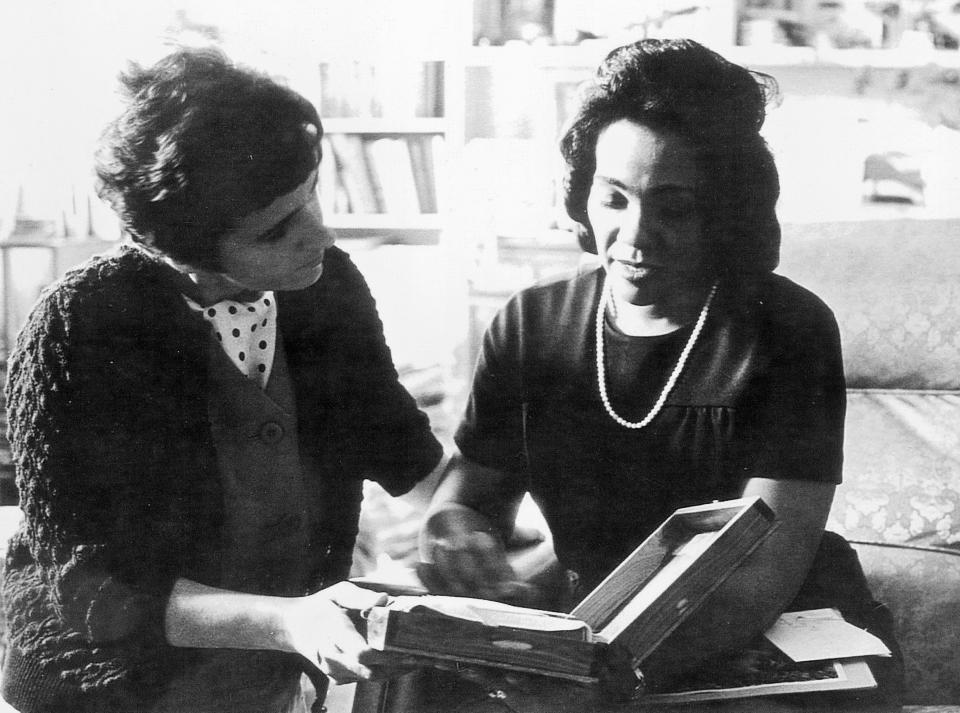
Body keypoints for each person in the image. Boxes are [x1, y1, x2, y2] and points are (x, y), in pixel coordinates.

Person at [420, 38, 901, 705]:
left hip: (770, 626)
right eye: (613, 199)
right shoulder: (531, 325)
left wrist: (606, 678)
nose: (636, 236)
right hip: (593, 625)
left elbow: (764, 572)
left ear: (723, 211)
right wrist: (456, 535)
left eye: (674, 207)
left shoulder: (788, 327)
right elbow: (467, 497)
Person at [1, 47, 443, 713]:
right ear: (183, 244)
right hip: (112, 681)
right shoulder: (79, 328)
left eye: (312, 197)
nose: (322, 235)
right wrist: (290, 620)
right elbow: (97, 586)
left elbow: (389, 436)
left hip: (268, 668)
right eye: (278, 228)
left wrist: (456, 514)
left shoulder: (328, 287)